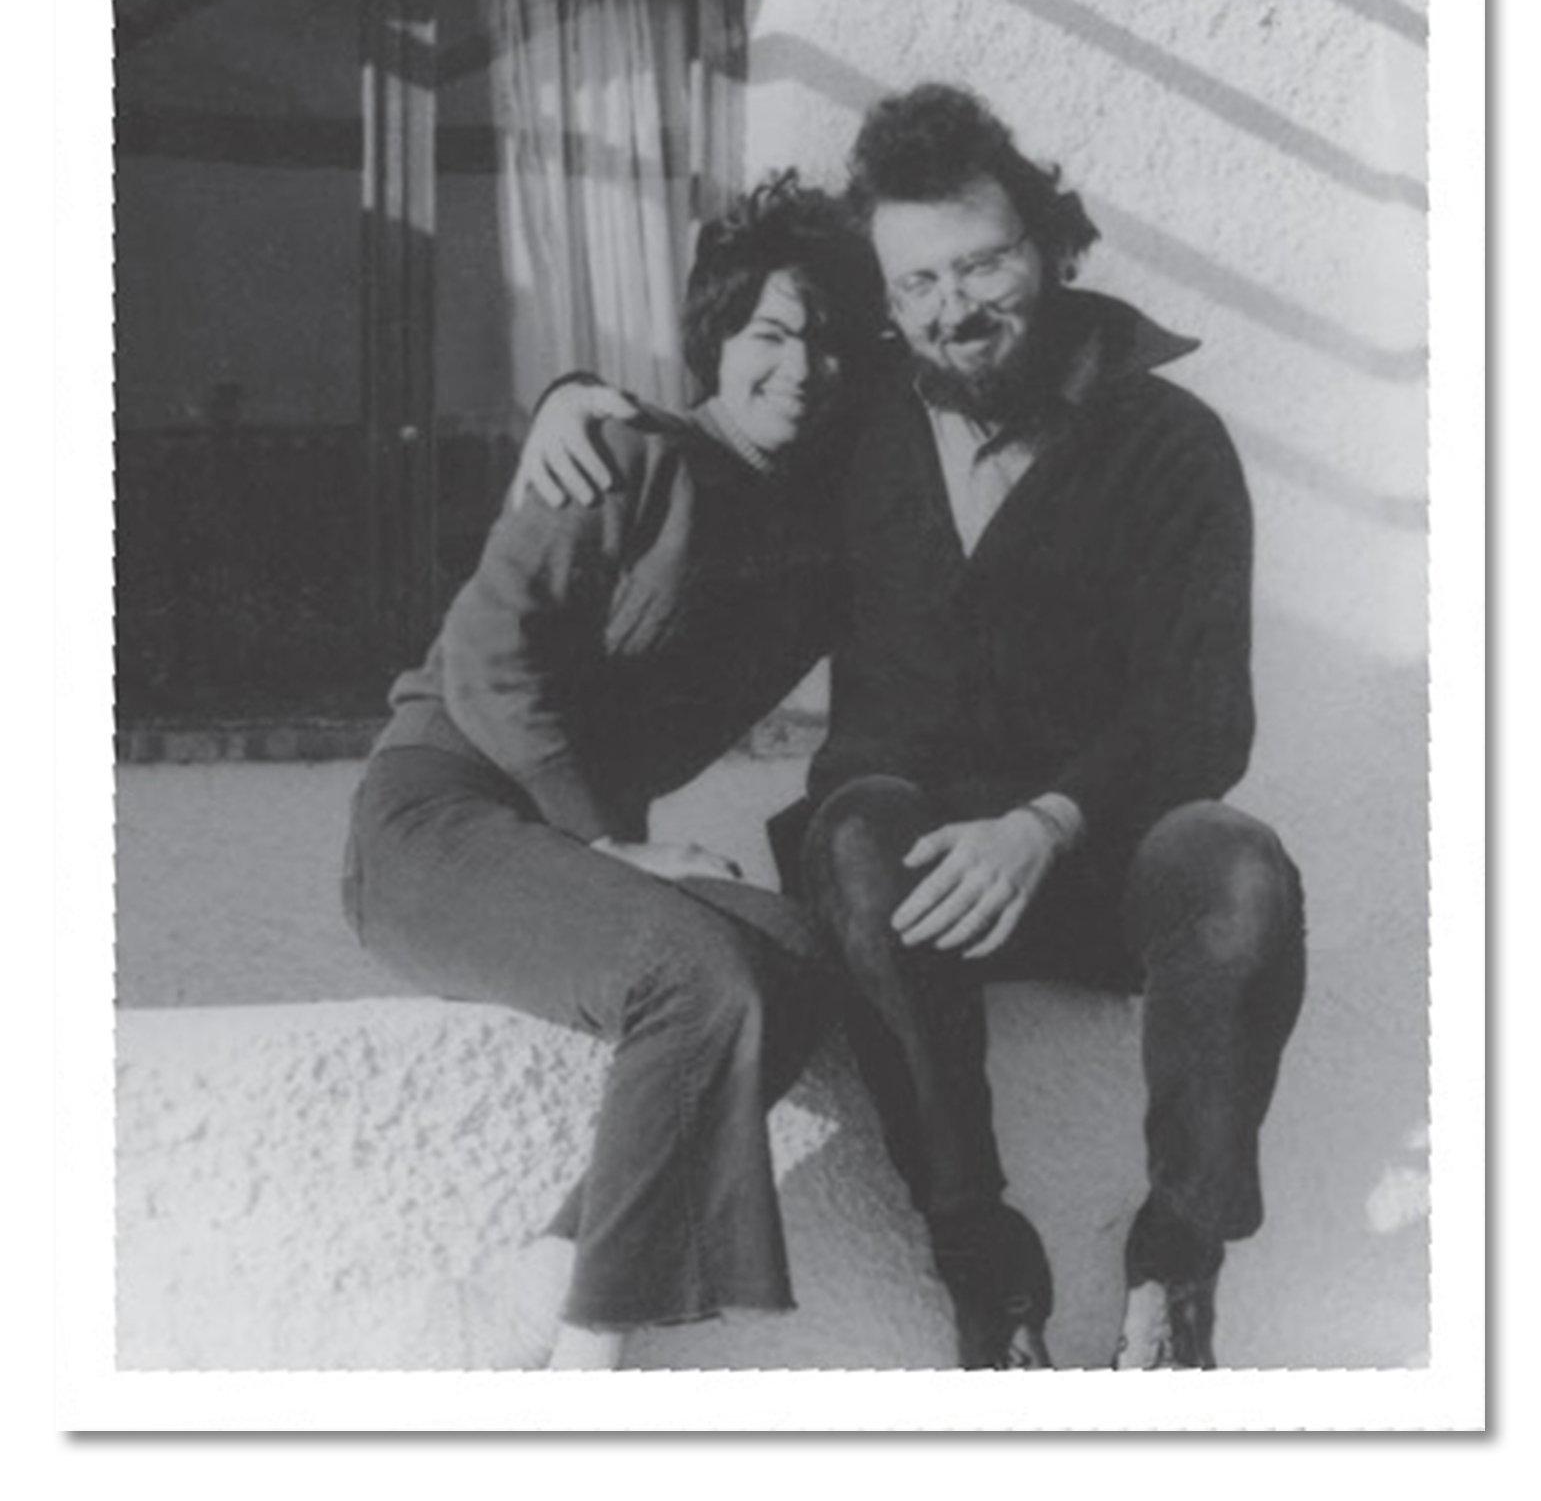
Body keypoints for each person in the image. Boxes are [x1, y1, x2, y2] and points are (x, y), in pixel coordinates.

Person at [516, 85, 1308, 1372]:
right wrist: (577, 399)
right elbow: (731, 423)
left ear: (1049, 247)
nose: (953, 305)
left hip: (1096, 858)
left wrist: (1043, 824)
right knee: (856, 830)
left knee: (1232, 863)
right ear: (886, 294)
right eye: (918, 279)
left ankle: (1177, 1263)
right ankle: (984, 1277)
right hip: (899, 884)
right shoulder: (858, 417)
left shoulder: (1168, 440)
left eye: (983, 261)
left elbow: (1203, 710)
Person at [341, 173, 885, 1370]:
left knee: (790, 957)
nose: (800, 366)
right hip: (434, 821)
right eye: (771, 333)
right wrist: (606, 843)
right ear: (718, 338)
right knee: (696, 971)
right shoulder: (621, 451)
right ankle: (595, 1356)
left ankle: (546, 1273)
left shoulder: (814, 528)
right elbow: (488, 657)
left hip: (567, 852)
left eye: (830, 341)